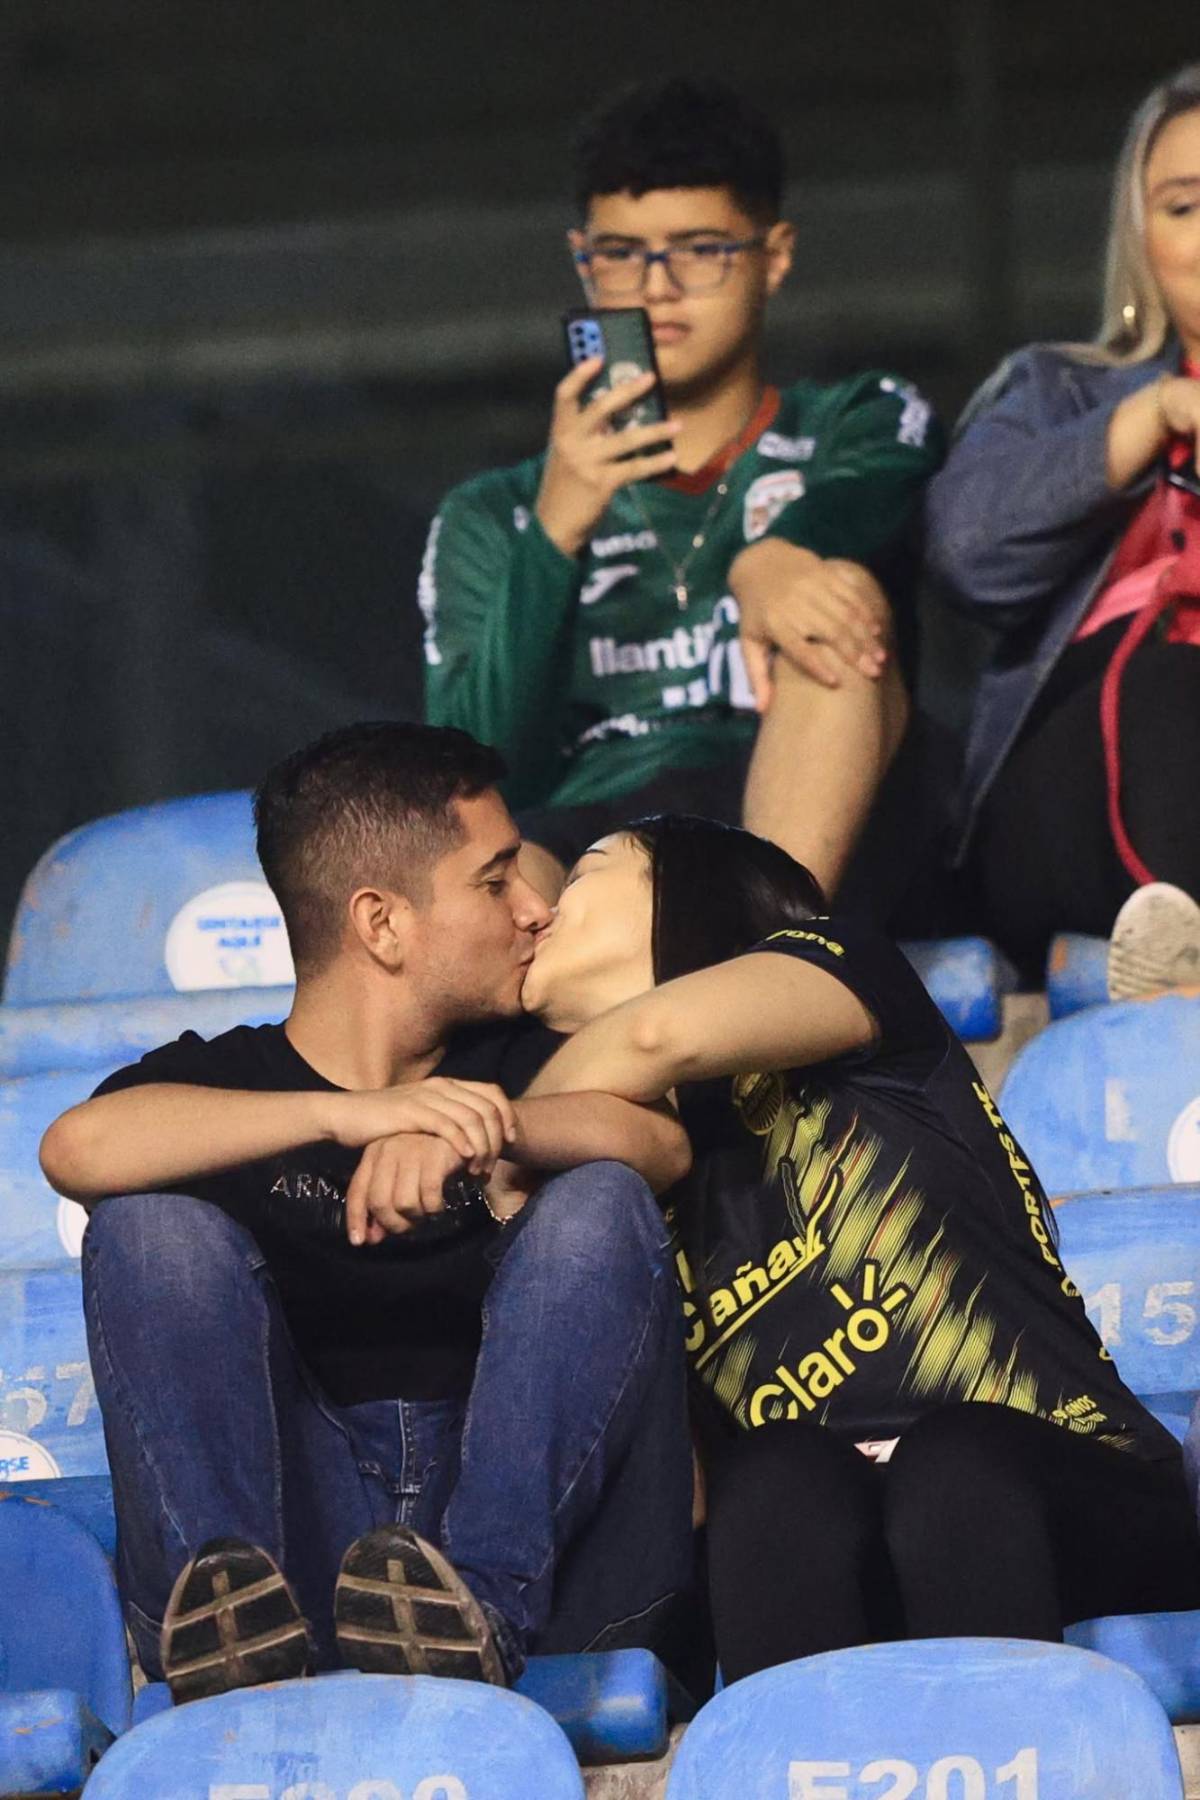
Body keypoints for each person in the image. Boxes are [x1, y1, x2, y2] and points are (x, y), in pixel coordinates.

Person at [39, 721, 694, 1701]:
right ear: (381, 924)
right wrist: (353, 1116)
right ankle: (227, 1628)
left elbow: (662, 1146)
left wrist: (488, 1129)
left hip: (528, 1556)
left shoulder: (526, 1066)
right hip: (296, 1564)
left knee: (600, 1199)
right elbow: (74, 1150)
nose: (535, 911)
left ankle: (475, 1611)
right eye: (496, 881)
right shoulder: (220, 1087)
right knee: (148, 1226)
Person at [509, 812, 1200, 1683]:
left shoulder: (843, 967)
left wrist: (502, 1142)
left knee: (954, 1467)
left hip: (1066, 1503)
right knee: (769, 1487)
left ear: (685, 893)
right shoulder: (619, 1182)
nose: (535, 911)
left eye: (580, 875)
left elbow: (654, 1036)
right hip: (835, 1541)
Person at [421, 77, 943, 909]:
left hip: (812, 815)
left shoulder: (856, 415)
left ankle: (766, 965)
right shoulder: (491, 513)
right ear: (583, 262)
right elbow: (469, 771)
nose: (658, 286)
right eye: (623, 254)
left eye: (700, 249)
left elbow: (887, 476)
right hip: (592, 846)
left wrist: (775, 556)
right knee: (474, 875)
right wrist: (554, 535)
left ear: (773, 257)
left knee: (835, 621)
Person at [926, 63, 1200, 991]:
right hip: (1072, 793)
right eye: (1184, 205)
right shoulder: (1061, 388)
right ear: (1142, 237)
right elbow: (966, 557)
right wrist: (1151, 419)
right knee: (1173, 682)